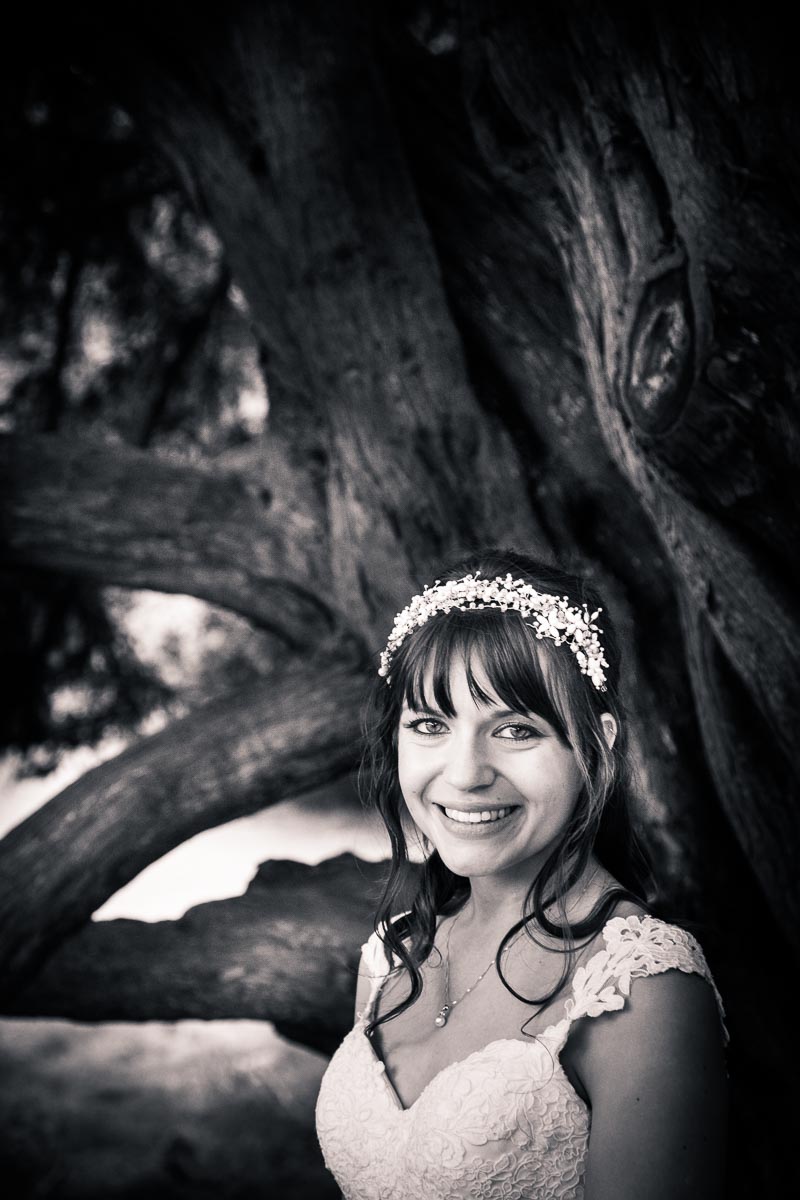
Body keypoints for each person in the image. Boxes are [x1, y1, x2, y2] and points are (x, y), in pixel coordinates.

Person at [316, 548, 728, 1200]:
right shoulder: (394, 952)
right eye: (429, 724)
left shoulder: (642, 990)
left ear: (598, 746)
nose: (465, 774)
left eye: (513, 730)